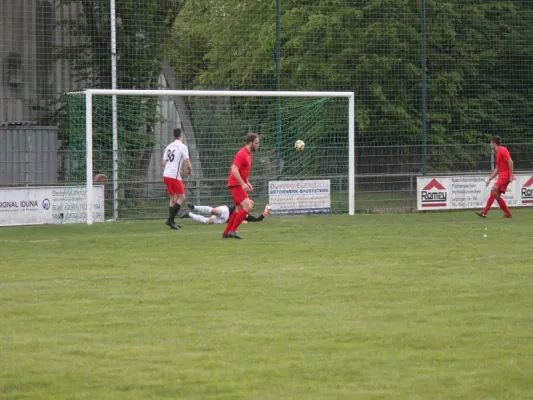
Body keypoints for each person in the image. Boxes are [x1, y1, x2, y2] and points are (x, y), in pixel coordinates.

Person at [222, 132, 260, 239]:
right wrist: (242, 183)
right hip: (236, 184)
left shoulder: (248, 154)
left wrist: (247, 182)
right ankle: (233, 231)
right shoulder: (242, 154)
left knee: (238, 210)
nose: (258, 145)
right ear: (250, 142)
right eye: (256, 143)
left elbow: (242, 171)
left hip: (237, 184)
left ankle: (226, 232)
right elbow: (234, 169)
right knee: (248, 206)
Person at [476, 135, 514, 219]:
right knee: (496, 196)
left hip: (505, 175)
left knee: (493, 189)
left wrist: (510, 175)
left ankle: (484, 212)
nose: (490, 144)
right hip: (502, 175)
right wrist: (489, 179)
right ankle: (508, 214)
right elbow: (497, 169)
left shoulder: (503, 150)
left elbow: (510, 162)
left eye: (490, 143)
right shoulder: (498, 153)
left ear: (494, 143)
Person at [162, 128, 192, 229]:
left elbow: (163, 163)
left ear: (174, 136)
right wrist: (189, 170)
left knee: (172, 198)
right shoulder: (182, 146)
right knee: (182, 197)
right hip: (174, 176)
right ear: (181, 136)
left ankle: (172, 222)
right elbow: (187, 163)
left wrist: (175, 168)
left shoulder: (169, 146)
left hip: (166, 174)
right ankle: (170, 220)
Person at [181, 201, 271, 225]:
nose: (250, 204)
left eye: (252, 204)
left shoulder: (247, 216)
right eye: (250, 202)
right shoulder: (240, 204)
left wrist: (265, 211)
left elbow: (258, 219)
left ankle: (189, 214)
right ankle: (194, 207)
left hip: (224, 220)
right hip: (226, 210)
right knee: (213, 211)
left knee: (208, 221)